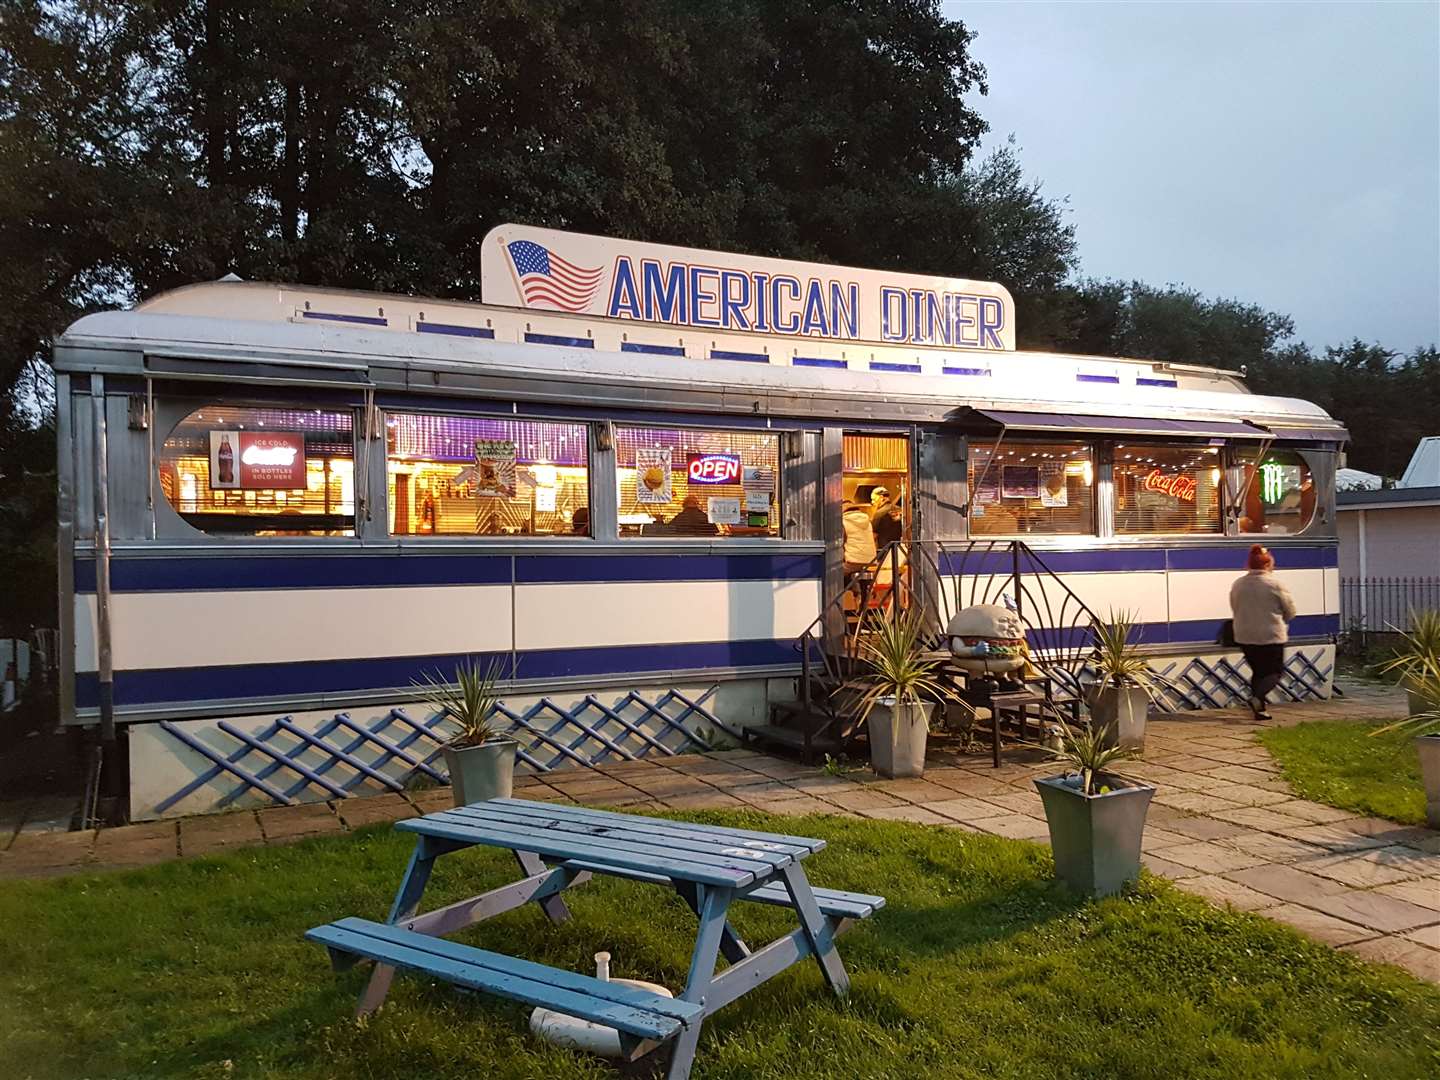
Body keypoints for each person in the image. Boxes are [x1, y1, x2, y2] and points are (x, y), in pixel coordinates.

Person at [1229, 544, 1297, 720]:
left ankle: (1260, 711)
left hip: (1244, 635)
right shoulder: (1275, 584)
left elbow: (1233, 606)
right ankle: (1256, 698)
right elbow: (1290, 611)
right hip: (1271, 635)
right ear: (1268, 565)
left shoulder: (1238, 584)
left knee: (1258, 671)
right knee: (1275, 672)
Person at [842, 499, 876, 576]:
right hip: (871, 561)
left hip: (853, 563)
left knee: (833, 571)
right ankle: (855, 587)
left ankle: (846, 588)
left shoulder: (844, 522)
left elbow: (840, 543)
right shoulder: (868, 521)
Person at [869, 486, 903, 550]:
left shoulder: (879, 513)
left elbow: (874, 535)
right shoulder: (899, 509)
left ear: (881, 498)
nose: (872, 502)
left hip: (884, 549)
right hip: (899, 548)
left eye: (874, 499)